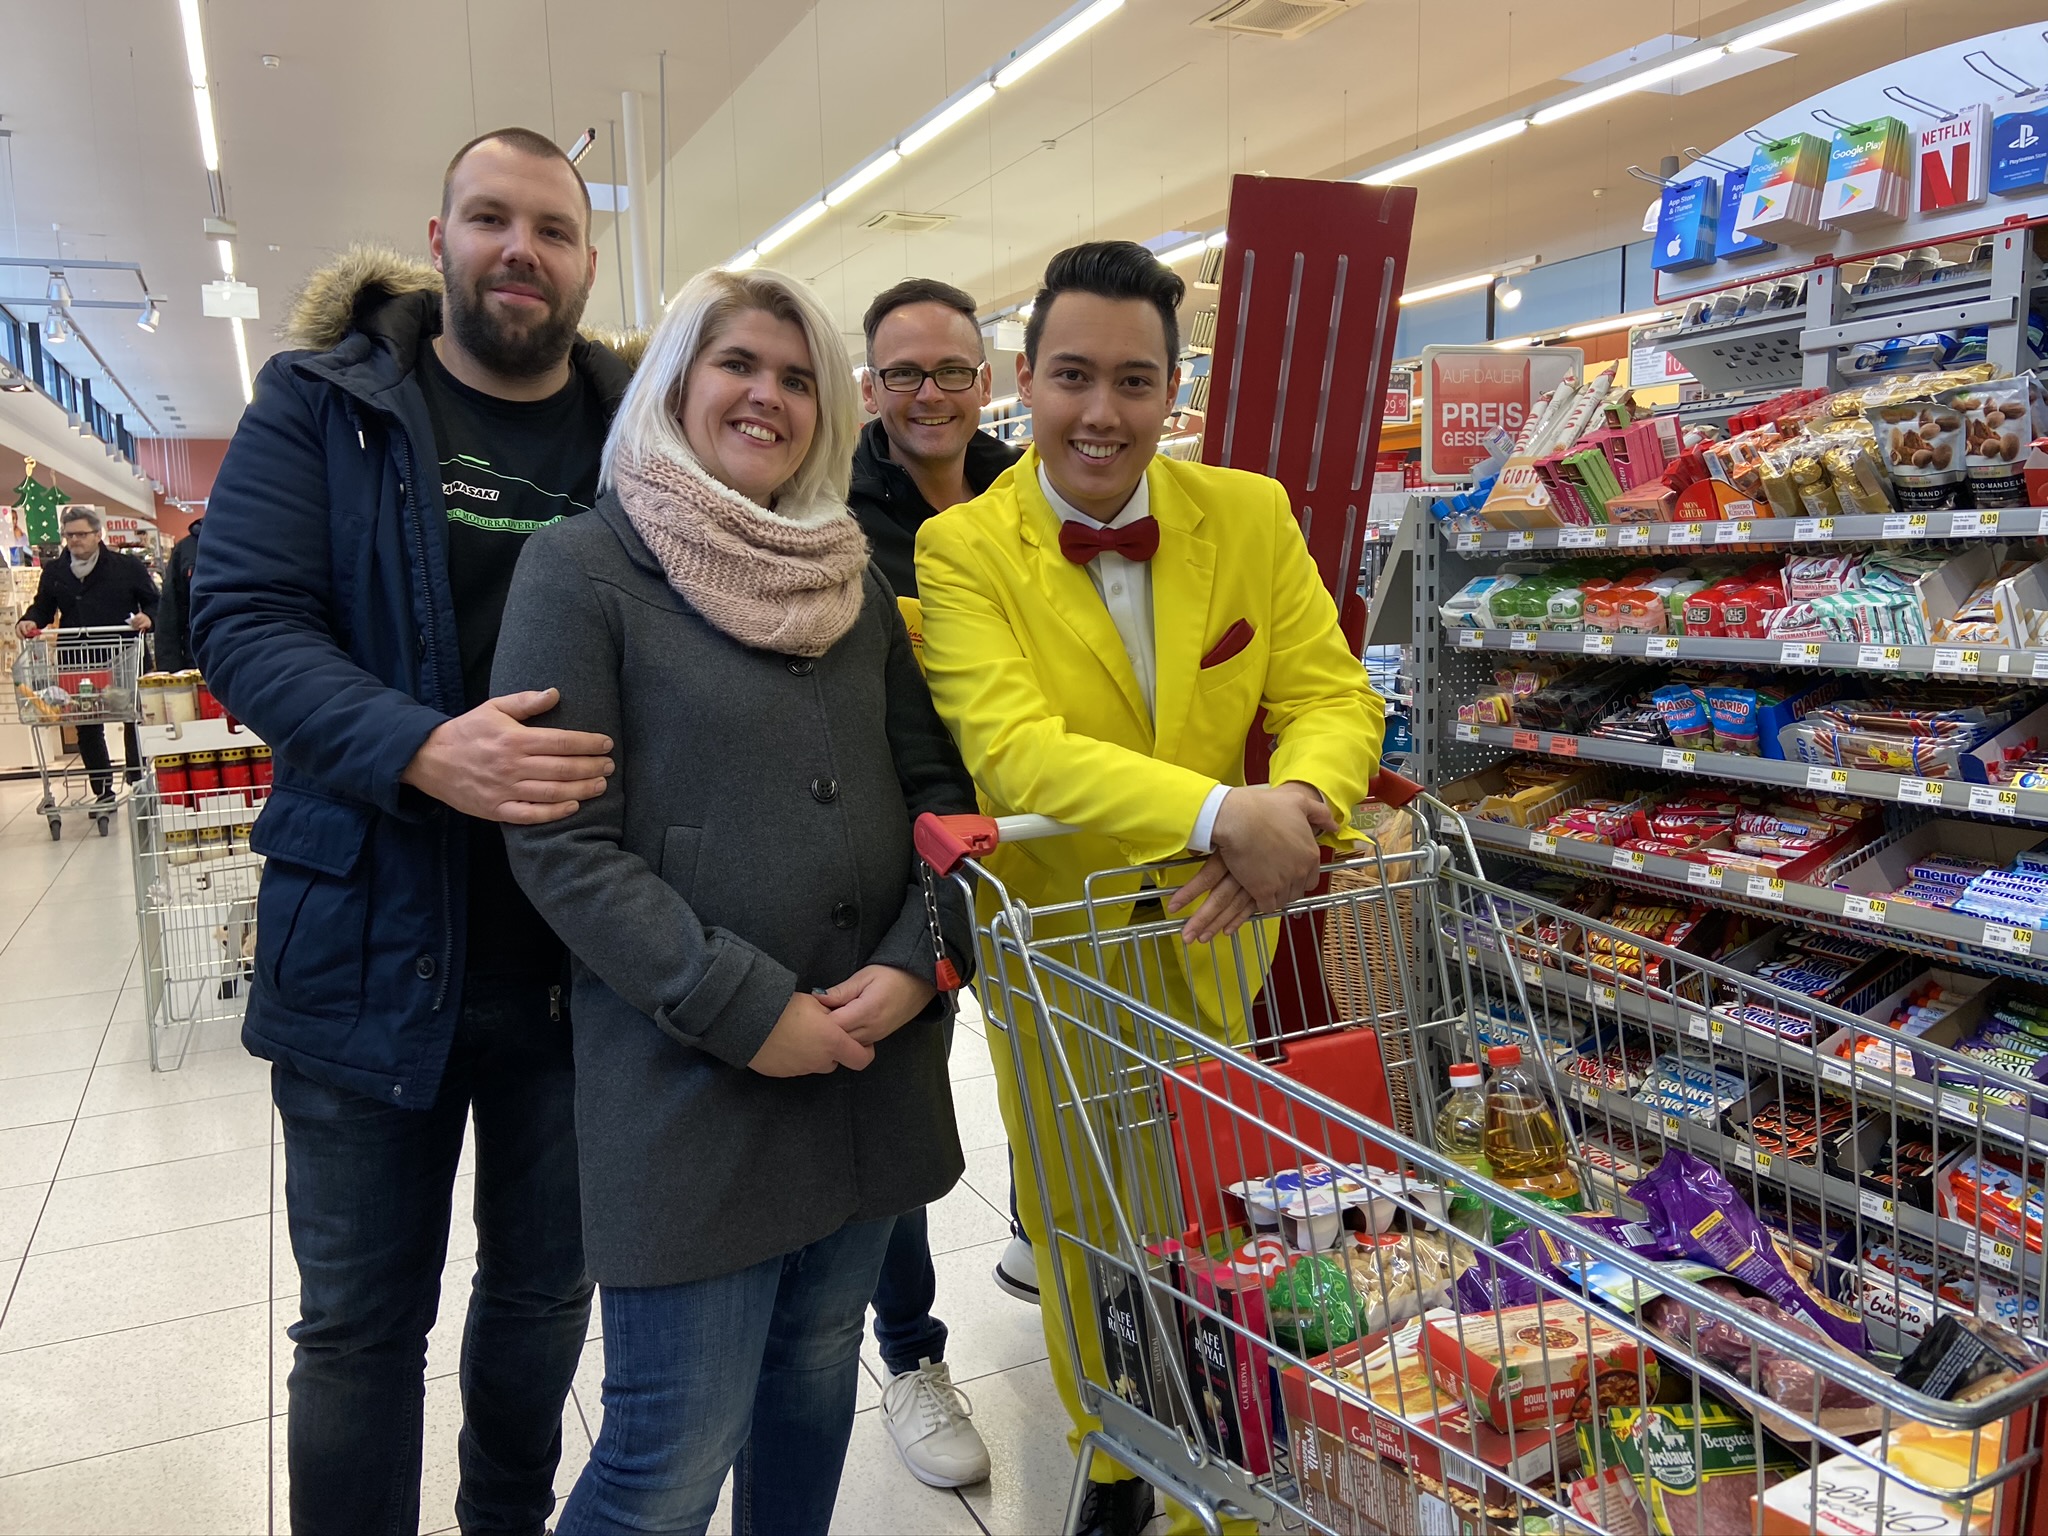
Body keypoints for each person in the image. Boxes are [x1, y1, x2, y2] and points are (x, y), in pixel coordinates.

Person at [492, 261, 977, 1536]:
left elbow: (940, 794)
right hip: (690, 1085)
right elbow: (561, 847)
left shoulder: (851, 582)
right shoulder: (579, 569)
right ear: (674, 385)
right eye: (738, 365)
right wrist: (748, 1009)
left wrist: (920, 959)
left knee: (812, 1384)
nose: (768, 396)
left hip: (866, 1068)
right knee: (667, 1453)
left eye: (797, 379)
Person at [189, 128, 626, 1536]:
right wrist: (423, 748)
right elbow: (243, 618)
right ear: (438, 240)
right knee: (361, 1329)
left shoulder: (641, 431)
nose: (520, 250)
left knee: (547, 1293)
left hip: (582, 959)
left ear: (588, 262)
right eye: (490, 218)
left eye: (552, 229)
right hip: (366, 939)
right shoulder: (321, 403)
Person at [916, 240, 1384, 1536]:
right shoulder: (961, 549)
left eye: (1134, 380)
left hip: (1211, 934)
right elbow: (1014, 751)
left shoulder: (1248, 513)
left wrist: (1301, 803)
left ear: (1174, 389)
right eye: (1072, 376)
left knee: (1217, 1201)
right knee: (1082, 1220)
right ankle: (1115, 1457)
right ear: (1024, 379)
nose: (1102, 412)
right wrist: (1223, 814)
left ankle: (1218, 1471)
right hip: (1058, 949)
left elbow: (1332, 695)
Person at [848, 277, 1026, 1490]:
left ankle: (1058, 1254)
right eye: (902, 372)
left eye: (951, 370)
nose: (928, 393)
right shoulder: (825, 512)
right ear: (869, 386)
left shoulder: (1033, 496)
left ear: (985, 379)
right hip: (892, 843)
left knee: (1067, 1071)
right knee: (900, 1104)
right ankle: (910, 1354)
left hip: (1039, 834)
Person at [15, 505, 157, 799]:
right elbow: (43, 607)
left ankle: (137, 779)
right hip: (77, 657)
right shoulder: (54, 571)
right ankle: (103, 789)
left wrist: (149, 618)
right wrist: (29, 620)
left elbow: (154, 602)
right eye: (70, 535)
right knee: (88, 725)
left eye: (81, 534)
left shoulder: (127, 567)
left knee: (134, 718)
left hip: (124, 654)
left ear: (98, 534)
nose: (75, 540)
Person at [153, 515, 201, 672]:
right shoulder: (186, 549)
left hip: (256, 656)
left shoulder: (258, 542)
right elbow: (169, 612)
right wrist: (170, 671)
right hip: (199, 661)